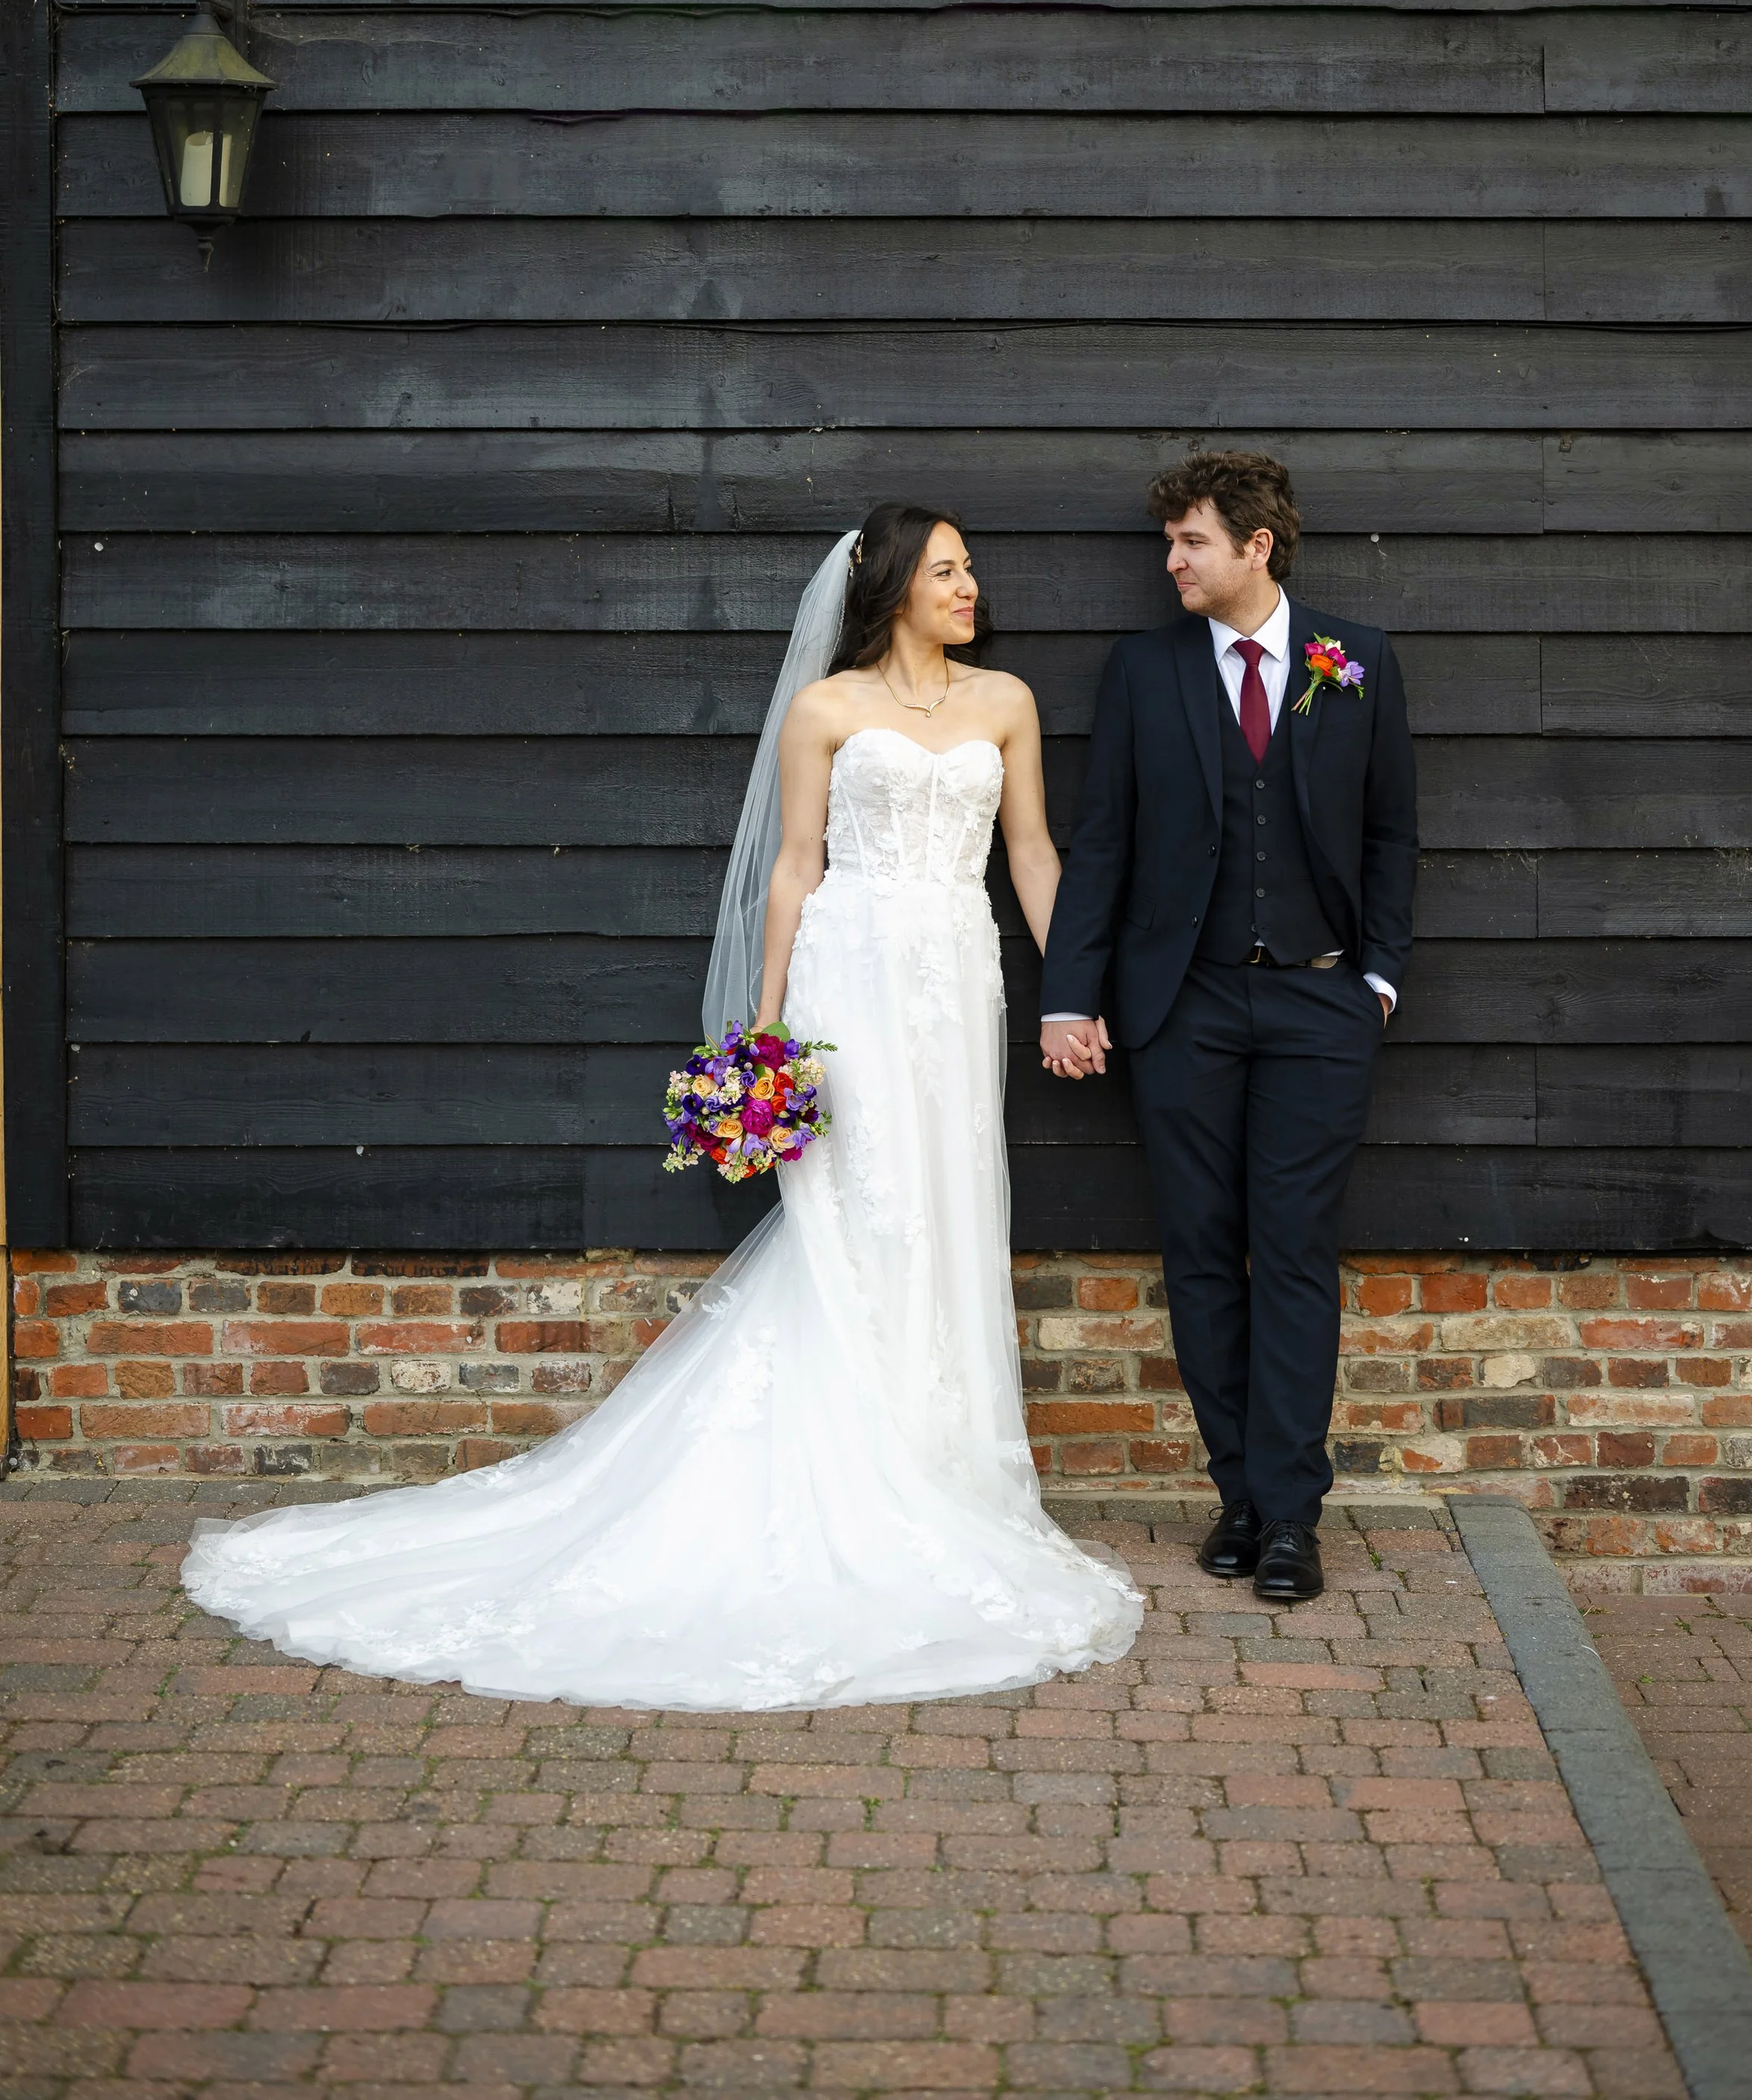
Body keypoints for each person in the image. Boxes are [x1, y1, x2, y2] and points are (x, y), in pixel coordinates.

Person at [181, 504, 1141, 1708]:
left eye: (970, 569)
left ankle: (940, 1468)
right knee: (864, 1217)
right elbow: (796, 865)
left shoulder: (1003, 700)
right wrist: (764, 1035)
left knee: (947, 1210)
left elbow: (1035, 852)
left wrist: (1077, 989)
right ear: (894, 586)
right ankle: (863, 1475)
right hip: (852, 979)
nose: (970, 586)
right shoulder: (825, 710)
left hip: (956, 971)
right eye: (947, 569)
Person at [1039, 452, 1416, 1605]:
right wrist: (1071, 992)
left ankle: (1294, 1511)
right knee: (1202, 1253)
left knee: (1294, 1251)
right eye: (1168, 542)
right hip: (1183, 1005)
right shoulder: (1145, 670)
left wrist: (1380, 978)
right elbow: (1101, 840)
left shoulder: (1356, 661)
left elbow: (1391, 833)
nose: (1172, 561)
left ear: (1257, 546)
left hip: (1318, 1002)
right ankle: (1239, 1494)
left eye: (1190, 541)